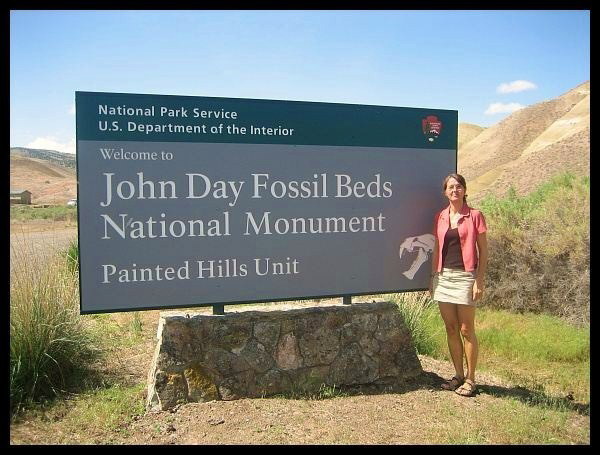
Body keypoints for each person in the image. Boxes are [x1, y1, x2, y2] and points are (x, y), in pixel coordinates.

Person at [429, 173, 488, 397]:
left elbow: (484, 251)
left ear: (464, 190)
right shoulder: (440, 217)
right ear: (445, 192)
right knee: (450, 328)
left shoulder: (475, 216)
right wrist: (432, 276)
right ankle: (458, 375)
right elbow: (437, 248)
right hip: (444, 277)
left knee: (466, 329)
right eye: (451, 187)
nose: (455, 190)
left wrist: (478, 281)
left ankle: (471, 379)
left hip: (466, 277)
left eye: (459, 186)